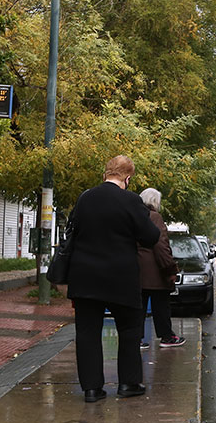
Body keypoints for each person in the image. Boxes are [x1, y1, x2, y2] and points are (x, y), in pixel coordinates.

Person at [66, 155, 160, 403]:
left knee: (87, 332)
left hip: (84, 277)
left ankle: (92, 389)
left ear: (106, 174)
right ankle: (128, 383)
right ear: (127, 178)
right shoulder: (131, 200)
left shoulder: (85, 198)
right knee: (129, 330)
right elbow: (151, 236)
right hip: (121, 277)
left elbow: (73, 229)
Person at [137, 188, 184, 350]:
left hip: (137, 270)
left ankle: (136, 339)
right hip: (155, 271)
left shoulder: (134, 216)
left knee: (139, 307)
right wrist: (170, 269)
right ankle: (167, 337)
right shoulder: (155, 217)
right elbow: (161, 245)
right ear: (155, 202)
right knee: (161, 306)